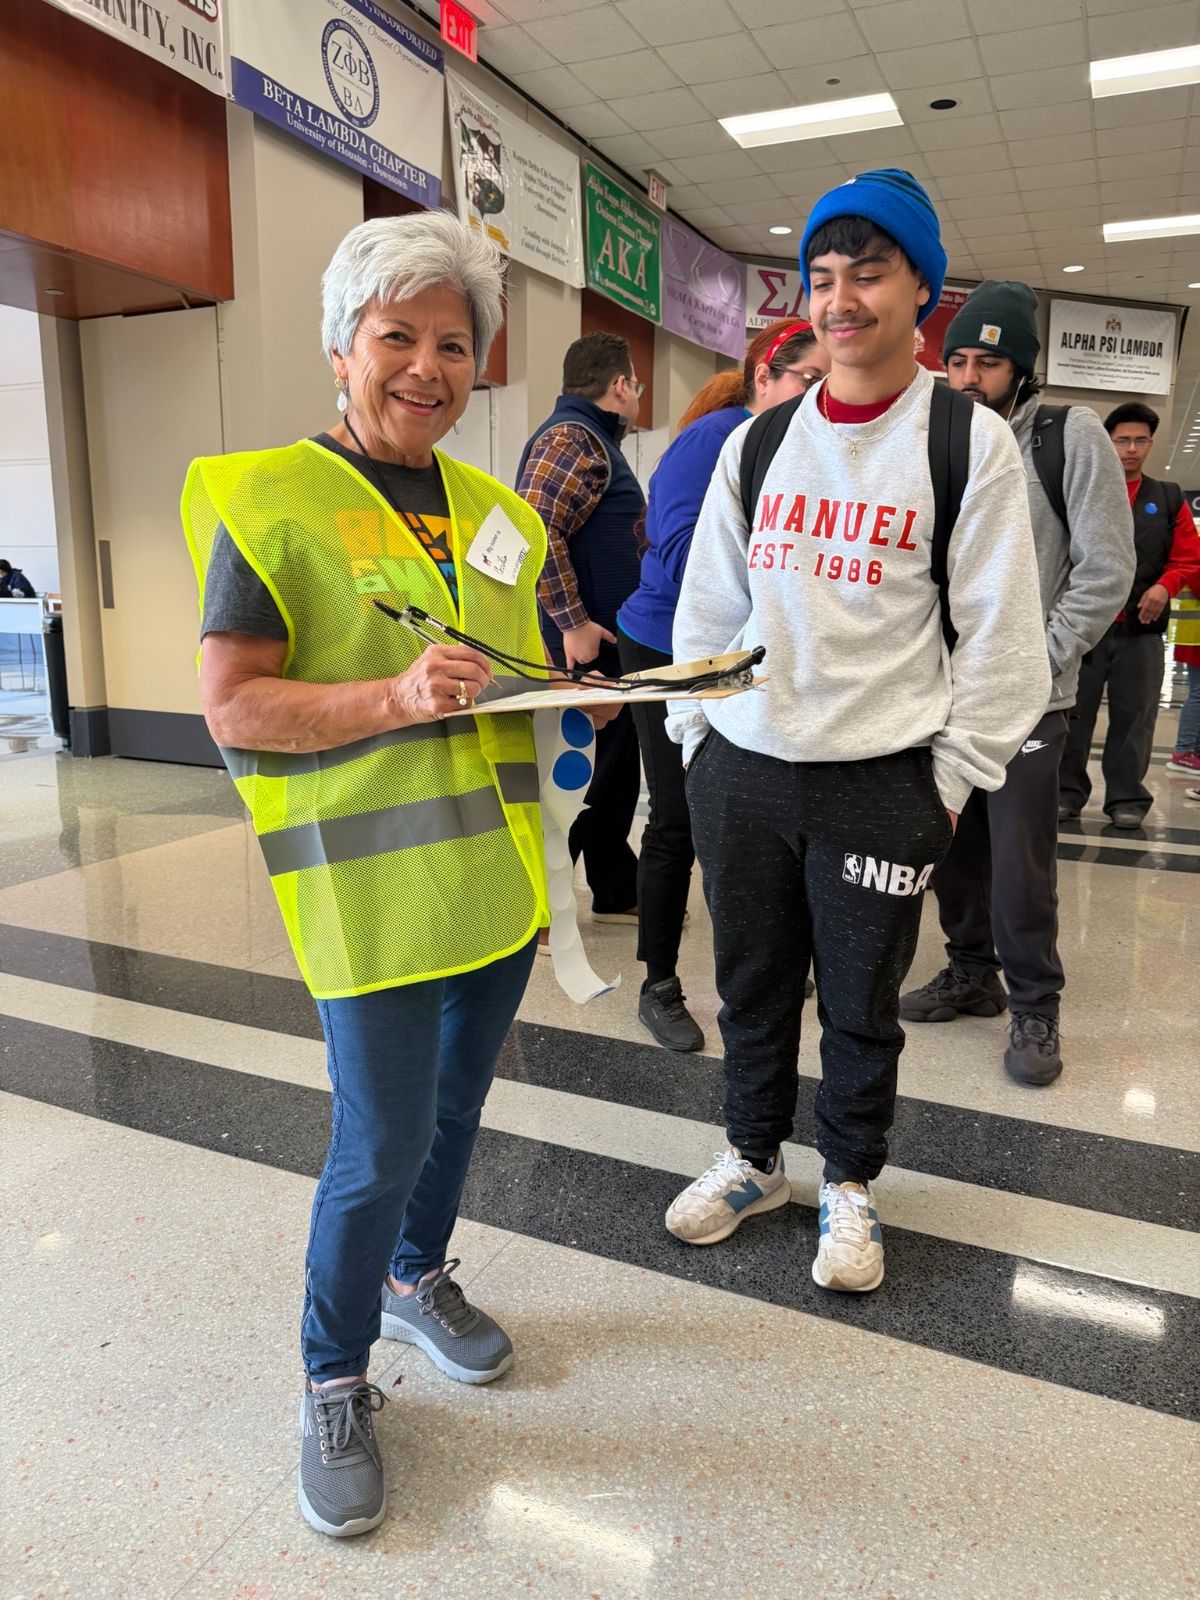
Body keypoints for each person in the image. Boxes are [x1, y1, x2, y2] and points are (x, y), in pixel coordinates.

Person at [181, 212, 602, 1541]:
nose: (427, 367)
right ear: (340, 348)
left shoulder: (497, 515)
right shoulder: (273, 504)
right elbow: (236, 706)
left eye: (453, 344)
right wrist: (391, 698)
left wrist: (586, 691)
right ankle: (332, 1374)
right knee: (378, 1146)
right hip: (366, 892)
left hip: (492, 882)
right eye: (397, 337)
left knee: (456, 1114)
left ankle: (417, 1279)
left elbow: (506, 676)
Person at [663, 169, 1050, 1293]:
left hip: (882, 780)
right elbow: (708, 610)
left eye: (867, 274)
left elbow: (1004, 639)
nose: (840, 300)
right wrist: (699, 737)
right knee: (750, 986)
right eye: (823, 277)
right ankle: (752, 1157)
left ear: (921, 290)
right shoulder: (759, 442)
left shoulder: (967, 442)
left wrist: (949, 781)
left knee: (861, 1001)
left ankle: (848, 1178)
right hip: (745, 768)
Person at [900, 283, 1133, 1086]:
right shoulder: (942, 438)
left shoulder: (1069, 436)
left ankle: (1036, 1002)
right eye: (957, 360)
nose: (969, 377)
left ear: (1022, 369)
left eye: (988, 363)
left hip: (1031, 700)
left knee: (1020, 864)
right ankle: (972, 973)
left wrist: (1042, 662)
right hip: (942, 694)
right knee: (953, 850)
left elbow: (1106, 569)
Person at [616, 320, 829, 1051]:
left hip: (749, 655)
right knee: (678, 817)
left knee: (759, 811)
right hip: (667, 643)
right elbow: (681, 554)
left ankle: (770, 955)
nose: (821, 395)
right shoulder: (714, 439)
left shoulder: (810, 446)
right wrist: (776, 582)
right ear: (765, 375)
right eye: (809, 379)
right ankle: (658, 983)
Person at [517, 333, 645, 925]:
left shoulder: (593, 441)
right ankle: (540, 908)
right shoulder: (571, 438)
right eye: (636, 384)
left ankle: (615, 888)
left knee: (613, 772)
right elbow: (536, 529)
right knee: (576, 773)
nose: (637, 395)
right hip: (581, 647)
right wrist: (573, 623)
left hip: (605, 643)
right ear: (619, 385)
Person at [1059, 402, 1200, 827]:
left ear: (1151, 444)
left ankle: (1127, 799)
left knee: (1136, 718)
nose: (1132, 449)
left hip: (1141, 631)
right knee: (1073, 714)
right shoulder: (1081, 491)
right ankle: (1065, 792)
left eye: (1140, 440)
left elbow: (1188, 558)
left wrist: (1165, 586)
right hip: (1084, 629)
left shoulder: (1167, 498)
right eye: (1122, 440)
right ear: (1107, 443)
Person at [1166, 584, 1200, 776]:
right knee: (1198, 693)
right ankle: (1184, 751)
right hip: (1195, 634)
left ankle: (1193, 750)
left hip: (1194, 633)